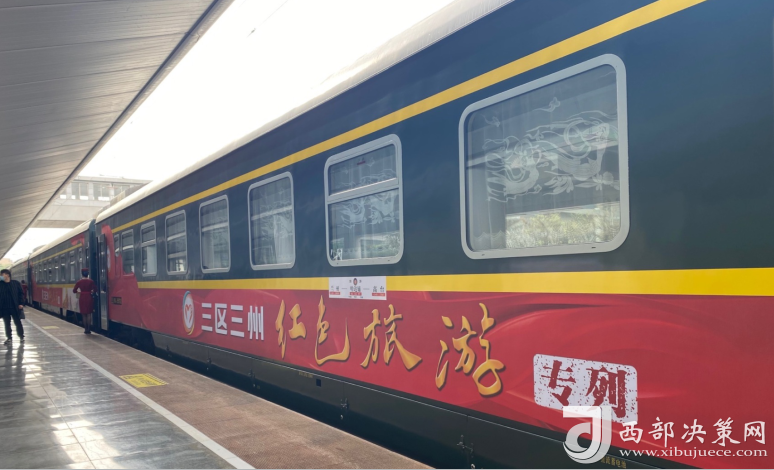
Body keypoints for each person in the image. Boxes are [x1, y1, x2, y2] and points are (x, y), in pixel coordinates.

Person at [0, 269, 24, 345]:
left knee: (17, 322)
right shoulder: (0, 284)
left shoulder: (15, 283)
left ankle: (21, 336)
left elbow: (21, 294)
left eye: (2, 275)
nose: (1, 276)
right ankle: (9, 338)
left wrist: (21, 303)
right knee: (7, 323)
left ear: (7, 275)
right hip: (4, 307)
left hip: (15, 307)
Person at [73, 269, 96, 334]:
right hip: (89, 297)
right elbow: (95, 289)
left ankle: (85, 329)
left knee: (84, 314)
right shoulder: (91, 281)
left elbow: (74, 290)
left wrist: (79, 292)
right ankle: (89, 329)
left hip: (82, 297)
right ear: (87, 274)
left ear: (82, 274)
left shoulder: (79, 282)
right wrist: (91, 291)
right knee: (89, 314)